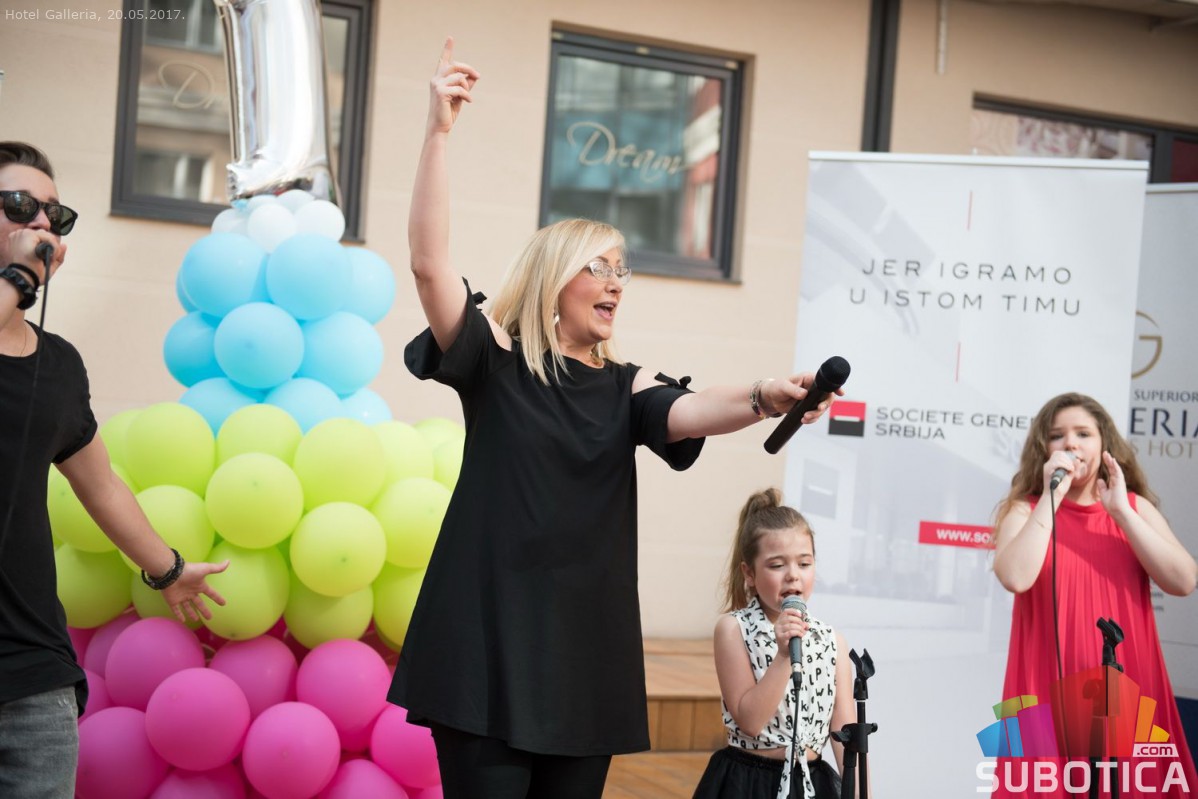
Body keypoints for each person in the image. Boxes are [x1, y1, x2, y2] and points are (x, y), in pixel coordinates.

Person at [385, 39, 838, 799]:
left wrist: (768, 393)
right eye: (598, 267)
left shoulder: (625, 388)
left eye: (622, 270)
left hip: (583, 660)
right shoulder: (495, 360)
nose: (616, 283)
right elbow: (430, 265)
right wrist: (438, 131)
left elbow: (696, 409)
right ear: (551, 279)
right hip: (485, 645)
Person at [0, 141, 230, 799]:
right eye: (20, 204)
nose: (41, 223)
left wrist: (168, 569)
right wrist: (17, 280)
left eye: (55, 214)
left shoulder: (58, 364)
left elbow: (99, 484)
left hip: (32, 674)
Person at [992, 392, 1197, 798]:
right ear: (1044, 449)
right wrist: (1051, 498)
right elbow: (1015, 576)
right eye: (1057, 436)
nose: (1070, 443)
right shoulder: (1025, 509)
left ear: (1104, 444)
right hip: (1045, 688)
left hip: (1126, 686)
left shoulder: (1133, 507)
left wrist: (1121, 512)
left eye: (1083, 433)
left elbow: (1184, 581)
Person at [693, 488, 852, 799]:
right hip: (748, 782)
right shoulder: (734, 629)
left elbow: (847, 738)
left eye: (804, 564)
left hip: (810, 784)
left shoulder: (832, 641)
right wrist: (782, 656)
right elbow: (750, 721)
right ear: (749, 573)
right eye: (777, 566)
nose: (793, 575)